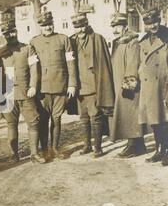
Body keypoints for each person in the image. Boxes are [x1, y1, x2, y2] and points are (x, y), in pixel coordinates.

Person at [29, 11, 77, 160]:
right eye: (44, 25)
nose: (47, 27)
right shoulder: (34, 42)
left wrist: (72, 84)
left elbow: (71, 63)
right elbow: (32, 67)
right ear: (40, 26)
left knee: (56, 119)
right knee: (43, 119)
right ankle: (44, 150)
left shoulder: (64, 39)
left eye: (49, 24)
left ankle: (55, 149)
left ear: (53, 23)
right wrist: (33, 86)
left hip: (60, 86)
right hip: (42, 89)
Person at [0, 20, 42, 163]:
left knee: (33, 123)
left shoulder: (27, 49)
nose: (11, 35)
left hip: (26, 92)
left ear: (17, 32)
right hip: (7, 94)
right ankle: (14, 154)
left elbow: (34, 69)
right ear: (4, 35)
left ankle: (34, 153)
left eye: (13, 32)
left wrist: (33, 86)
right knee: (11, 124)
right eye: (7, 34)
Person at [71, 13, 115, 158]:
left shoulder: (97, 39)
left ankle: (98, 147)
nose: (80, 30)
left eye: (82, 26)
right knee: (83, 119)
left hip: (94, 87)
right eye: (77, 27)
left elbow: (104, 64)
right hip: (79, 88)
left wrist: (103, 86)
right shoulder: (72, 41)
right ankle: (87, 145)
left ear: (87, 24)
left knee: (95, 117)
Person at [108, 13, 147, 158]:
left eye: (118, 26)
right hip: (119, 83)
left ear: (125, 27)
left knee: (131, 114)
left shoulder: (132, 42)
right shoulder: (118, 42)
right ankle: (138, 145)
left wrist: (129, 85)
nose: (115, 30)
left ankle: (133, 146)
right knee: (127, 114)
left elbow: (132, 63)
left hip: (129, 85)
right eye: (113, 27)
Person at [135, 9, 168, 165]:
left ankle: (167, 151)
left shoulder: (167, 36)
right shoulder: (143, 41)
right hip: (149, 86)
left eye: (154, 22)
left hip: (164, 85)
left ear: (159, 20)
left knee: (165, 120)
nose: (152, 26)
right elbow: (142, 64)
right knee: (155, 120)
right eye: (148, 24)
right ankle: (159, 150)